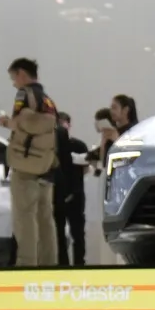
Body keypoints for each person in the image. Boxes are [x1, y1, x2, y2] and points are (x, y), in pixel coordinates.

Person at [0, 57, 60, 268]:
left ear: (22, 74)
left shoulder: (24, 94)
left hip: (25, 166)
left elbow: (19, 123)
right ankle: (49, 265)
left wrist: (6, 122)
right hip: (45, 166)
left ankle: (26, 266)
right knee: (45, 221)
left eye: (14, 78)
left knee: (25, 219)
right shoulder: (48, 100)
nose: (14, 83)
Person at [53, 111, 86, 267]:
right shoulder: (51, 148)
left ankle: (79, 263)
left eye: (64, 122)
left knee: (77, 233)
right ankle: (63, 265)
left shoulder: (78, 145)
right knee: (58, 233)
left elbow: (86, 167)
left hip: (76, 193)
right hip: (58, 194)